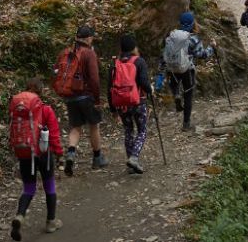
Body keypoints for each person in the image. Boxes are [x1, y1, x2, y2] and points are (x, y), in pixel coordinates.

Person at [9, 78, 63, 241]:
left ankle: (19, 216)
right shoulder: (46, 110)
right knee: (49, 186)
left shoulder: (18, 110)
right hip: (43, 154)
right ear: (40, 91)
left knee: (28, 189)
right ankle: (51, 221)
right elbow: (53, 135)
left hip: (24, 152)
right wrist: (59, 153)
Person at [54, 25, 109, 176]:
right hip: (86, 96)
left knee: (75, 128)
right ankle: (97, 158)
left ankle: (71, 154)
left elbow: (56, 71)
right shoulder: (89, 53)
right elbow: (95, 79)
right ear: (89, 38)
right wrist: (97, 99)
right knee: (94, 126)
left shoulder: (65, 52)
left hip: (70, 96)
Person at [155, 12, 216, 131]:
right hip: (187, 70)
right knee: (188, 96)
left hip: (172, 69)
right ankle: (186, 124)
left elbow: (164, 56)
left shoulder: (171, 37)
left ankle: (176, 94)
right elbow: (202, 55)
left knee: (175, 84)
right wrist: (212, 48)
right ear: (193, 23)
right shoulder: (193, 38)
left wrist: (160, 72)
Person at [107, 35, 152, 174]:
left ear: (121, 48)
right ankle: (134, 157)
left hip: (121, 104)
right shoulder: (139, 61)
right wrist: (151, 90)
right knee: (142, 130)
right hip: (138, 102)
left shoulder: (114, 64)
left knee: (128, 131)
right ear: (134, 47)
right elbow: (144, 82)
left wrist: (113, 108)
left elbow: (109, 87)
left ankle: (130, 163)